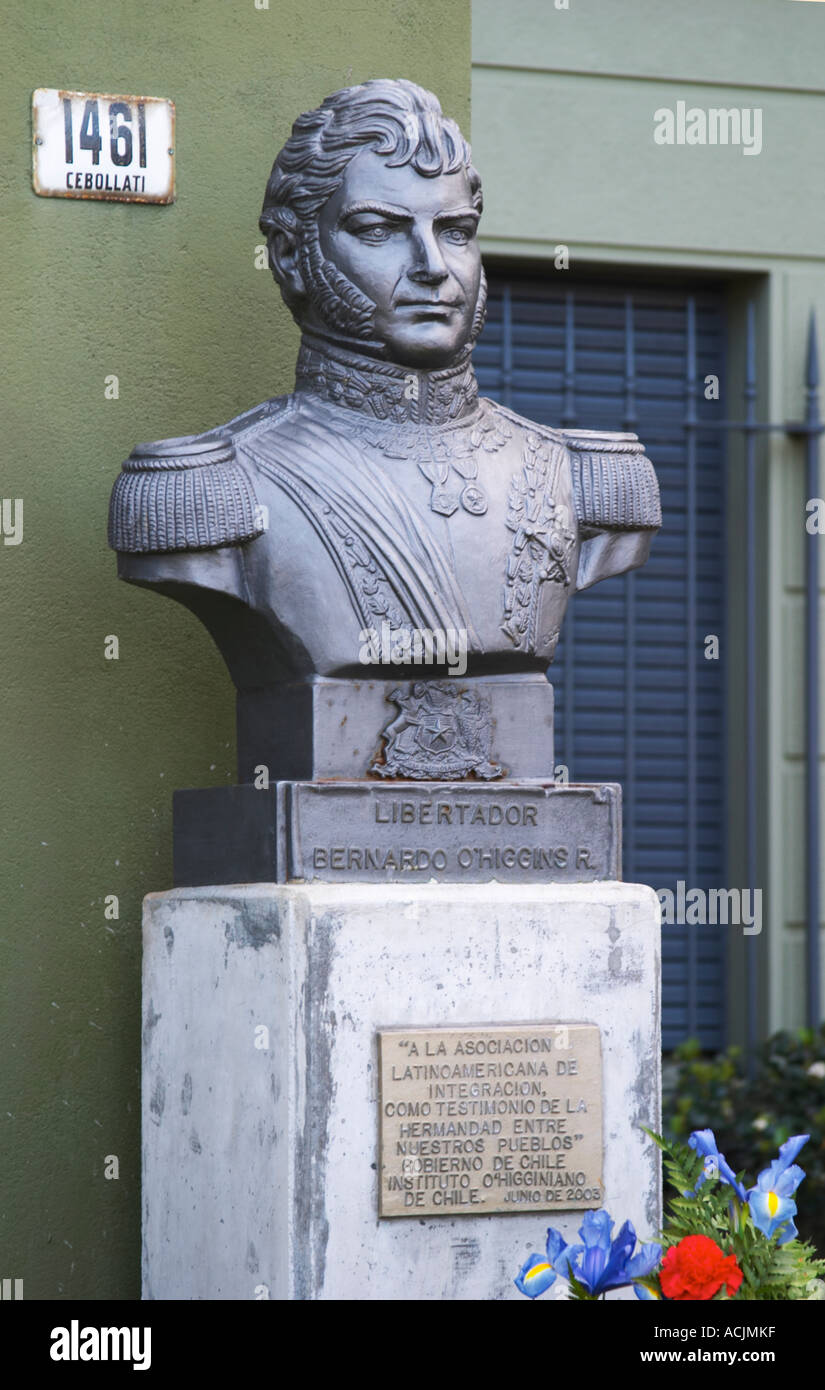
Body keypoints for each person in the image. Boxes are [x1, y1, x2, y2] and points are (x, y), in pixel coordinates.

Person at [109, 78, 660, 687]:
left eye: (455, 231)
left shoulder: (584, 477)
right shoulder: (208, 488)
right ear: (291, 255)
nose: (432, 266)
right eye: (378, 230)